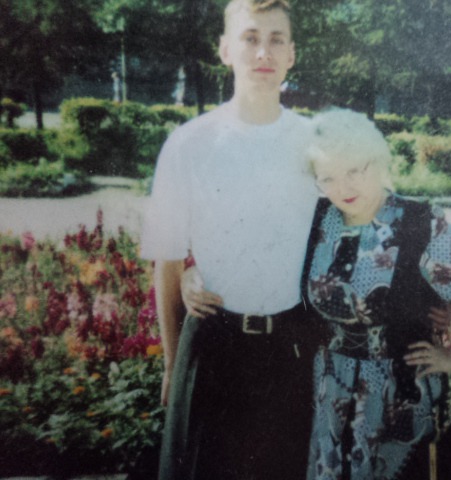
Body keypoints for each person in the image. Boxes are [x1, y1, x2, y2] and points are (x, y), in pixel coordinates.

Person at [140, 1, 320, 479]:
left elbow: (363, 227)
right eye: (250, 37)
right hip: (212, 351)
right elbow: (168, 264)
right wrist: (174, 368)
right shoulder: (188, 143)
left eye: (276, 39)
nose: (263, 51)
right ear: (224, 49)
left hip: (292, 354)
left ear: (291, 54)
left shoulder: (317, 144)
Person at [300, 109, 451, 480]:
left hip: (395, 395)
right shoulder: (320, 220)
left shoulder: (417, 222)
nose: (343, 187)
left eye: (354, 170)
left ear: (378, 161)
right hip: (330, 389)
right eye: (328, 177)